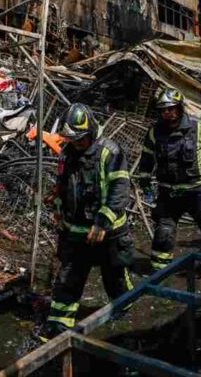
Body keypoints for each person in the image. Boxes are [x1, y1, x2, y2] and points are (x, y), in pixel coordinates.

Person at [44, 103, 134, 337]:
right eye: (73, 140)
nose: (77, 144)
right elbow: (63, 184)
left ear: (92, 131)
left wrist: (103, 221)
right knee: (68, 278)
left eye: (81, 139)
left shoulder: (110, 152)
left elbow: (120, 189)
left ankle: (126, 311)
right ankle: (58, 327)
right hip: (76, 229)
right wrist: (58, 205)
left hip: (109, 231)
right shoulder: (66, 153)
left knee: (114, 275)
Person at [137, 87, 201, 271]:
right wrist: (144, 181)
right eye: (163, 110)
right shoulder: (155, 132)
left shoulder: (199, 126)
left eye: (171, 108)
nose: (167, 113)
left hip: (199, 191)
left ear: (180, 108)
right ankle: (158, 274)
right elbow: (146, 158)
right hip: (168, 193)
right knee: (163, 233)